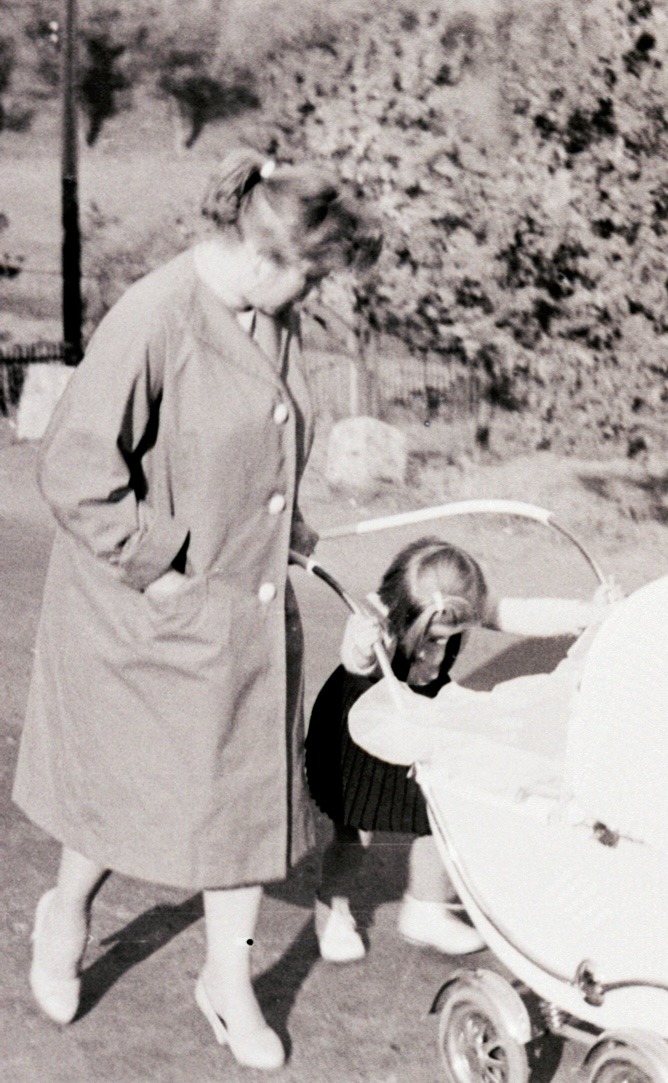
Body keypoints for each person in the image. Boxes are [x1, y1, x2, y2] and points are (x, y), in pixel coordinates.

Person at [16, 149, 373, 1071]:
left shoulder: (269, 312)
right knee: (123, 789)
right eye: (311, 276)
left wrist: (285, 522)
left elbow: (256, 439)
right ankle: (66, 913)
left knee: (243, 805)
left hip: (242, 608)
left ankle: (227, 976)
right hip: (144, 610)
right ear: (263, 253)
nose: (313, 295)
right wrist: (160, 568)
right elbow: (75, 467)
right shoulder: (154, 316)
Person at [305, 537, 618, 963]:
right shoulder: (376, 615)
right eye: (432, 640)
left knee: (439, 806)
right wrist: (362, 647)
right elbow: (354, 661)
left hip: (425, 712)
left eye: (450, 640)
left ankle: (425, 906)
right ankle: (332, 906)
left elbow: (516, 613)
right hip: (368, 722)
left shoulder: (459, 606)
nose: (438, 653)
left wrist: (586, 615)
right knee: (355, 826)